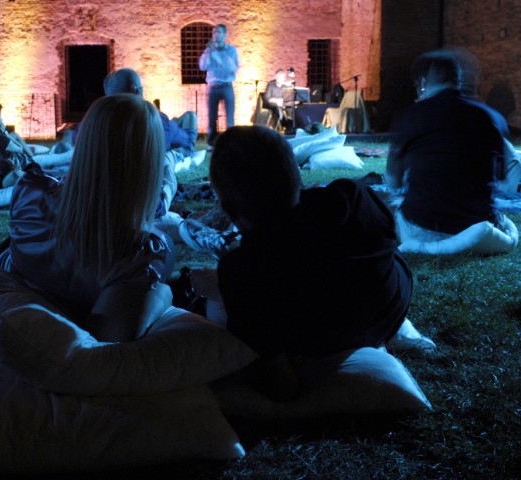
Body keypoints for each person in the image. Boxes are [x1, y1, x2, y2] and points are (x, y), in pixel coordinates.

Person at [201, 125, 413, 401]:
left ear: (227, 206)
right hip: (389, 309)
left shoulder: (242, 271)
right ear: (294, 173)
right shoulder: (352, 197)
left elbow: (281, 385)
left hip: (333, 337)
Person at [0, 94, 174, 342]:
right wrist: (163, 297)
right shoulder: (145, 251)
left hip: (10, 264)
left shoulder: (30, 189)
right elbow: (111, 338)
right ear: (149, 161)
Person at [386, 49, 513, 242]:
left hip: (424, 228)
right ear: (459, 80)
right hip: (479, 225)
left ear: (422, 83)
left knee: (390, 204)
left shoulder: (410, 117)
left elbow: (393, 182)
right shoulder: (493, 118)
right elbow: (502, 180)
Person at [103, 68, 197, 219]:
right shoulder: (154, 120)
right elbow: (184, 140)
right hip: (149, 207)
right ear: (138, 90)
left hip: (111, 209)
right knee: (169, 158)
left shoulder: (97, 123)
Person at [199, 24, 239, 148]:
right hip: (213, 86)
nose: (216, 34)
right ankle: (212, 143)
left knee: (229, 118)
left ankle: (231, 142)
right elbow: (202, 66)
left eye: (219, 32)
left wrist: (217, 56)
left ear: (225, 34)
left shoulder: (231, 51)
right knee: (211, 117)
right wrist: (208, 52)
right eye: (214, 32)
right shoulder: (209, 50)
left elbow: (233, 68)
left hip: (227, 86)